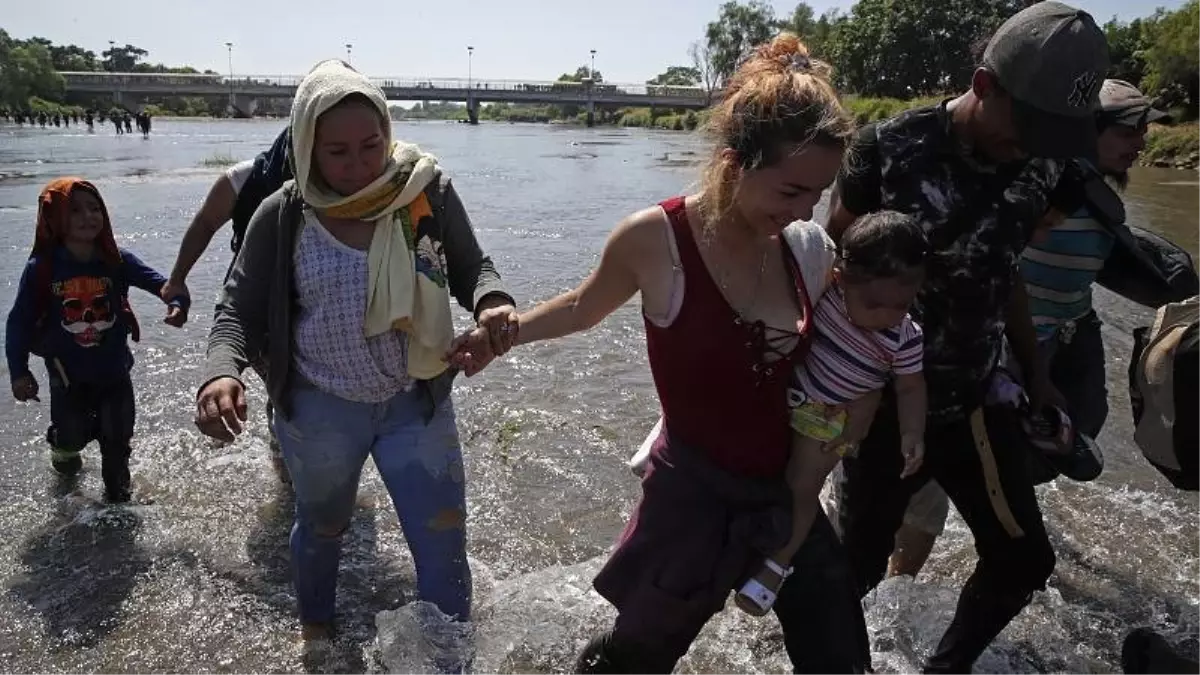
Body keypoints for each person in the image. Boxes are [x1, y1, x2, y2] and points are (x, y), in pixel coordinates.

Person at [451, 34, 870, 674]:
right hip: (692, 494)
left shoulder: (807, 249)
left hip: (785, 493)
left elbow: (859, 346)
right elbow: (582, 309)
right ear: (735, 164)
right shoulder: (656, 239)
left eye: (818, 192)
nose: (805, 210)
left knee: (840, 656)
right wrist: (500, 336)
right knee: (636, 659)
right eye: (790, 191)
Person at [821, 3, 1109, 672]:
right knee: (852, 565)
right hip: (883, 404)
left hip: (979, 399)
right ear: (984, 86)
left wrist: (1036, 374)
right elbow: (832, 261)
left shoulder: (1047, 165)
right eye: (1027, 126)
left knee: (1024, 557)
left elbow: (1004, 268)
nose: (1034, 145)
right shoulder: (889, 150)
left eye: (1052, 133)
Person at [193, 59, 515, 641]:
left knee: (442, 542)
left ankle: (449, 655)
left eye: (371, 145)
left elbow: (473, 267)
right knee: (322, 527)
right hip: (319, 408)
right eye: (336, 152)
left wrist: (492, 301)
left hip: (416, 401)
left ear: (389, 133)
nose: (359, 164)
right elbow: (236, 306)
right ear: (306, 147)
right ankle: (317, 634)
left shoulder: (425, 192)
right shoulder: (285, 212)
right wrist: (222, 373)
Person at [886, 78, 1200, 581]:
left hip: (1070, 330)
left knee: (1079, 427)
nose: (1140, 141)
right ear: (1081, 131)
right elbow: (992, 265)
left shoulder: (1100, 198)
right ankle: (908, 565)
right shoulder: (1032, 183)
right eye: (1129, 129)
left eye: (1144, 130)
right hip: (999, 340)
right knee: (942, 472)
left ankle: (998, 505)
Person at [734, 210, 929, 616]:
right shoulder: (825, 295)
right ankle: (736, 539)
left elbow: (911, 387)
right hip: (780, 399)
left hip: (826, 419)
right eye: (875, 303)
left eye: (902, 304)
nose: (887, 315)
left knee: (802, 487)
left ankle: (775, 566)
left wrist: (913, 434)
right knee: (749, 469)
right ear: (841, 279)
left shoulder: (905, 337)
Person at [5, 178, 189, 503]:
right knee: (73, 437)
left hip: (114, 374)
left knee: (117, 441)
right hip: (67, 379)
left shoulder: (116, 260)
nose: (88, 216)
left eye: (95, 208)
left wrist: (176, 303)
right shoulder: (43, 269)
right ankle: (62, 445)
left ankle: (118, 505)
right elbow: (18, 322)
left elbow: (161, 283)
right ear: (54, 217)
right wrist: (19, 371)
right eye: (74, 209)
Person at [162, 125, 293, 482]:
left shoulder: (361, 179)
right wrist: (177, 279)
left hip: (315, 304)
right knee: (284, 393)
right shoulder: (244, 179)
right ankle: (288, 482)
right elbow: (205, 223)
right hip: (258, 303)